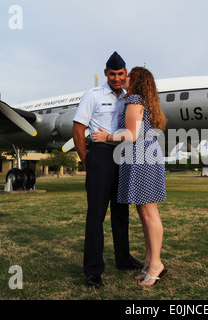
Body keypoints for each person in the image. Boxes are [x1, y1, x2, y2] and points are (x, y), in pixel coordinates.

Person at [72, 52, 144, 289]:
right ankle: (93, 270)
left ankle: (123, 258)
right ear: (106, 73)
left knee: (121, 212)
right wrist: (87, 162)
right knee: (96, 216)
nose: (116, 78)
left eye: (120, 74)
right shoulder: (92, 95)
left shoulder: (129, 98)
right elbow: (78, 129)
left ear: (125, 75)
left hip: (122, 154)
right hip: (101, 155)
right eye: (112, 73)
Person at [93, 66, 167, 286]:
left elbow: (131, 135)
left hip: (141, 158)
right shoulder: (146, 101)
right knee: (145, 211)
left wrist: (107, 135)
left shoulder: (134, 98)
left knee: (149, 212)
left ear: (136, 81)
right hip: (147, 157)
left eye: (128, 76)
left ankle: (156, 264)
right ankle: (149, 262)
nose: (123, 78)